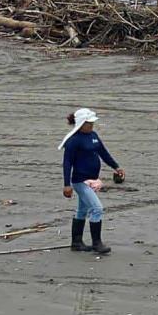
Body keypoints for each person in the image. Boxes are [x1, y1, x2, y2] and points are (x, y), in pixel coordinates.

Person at [59, 107, 125, 254]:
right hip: (79, 181)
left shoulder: (93, 135)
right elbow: (67, 163)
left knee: (82, 210)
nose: (91, 125)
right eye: (88, 123)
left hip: (92, 179)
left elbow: (103, 152)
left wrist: (116, 167)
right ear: (81, 123)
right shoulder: (73, 141)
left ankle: (76, 243)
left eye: (92, 123)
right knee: (97, 209)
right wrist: (66, 185)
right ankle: (97, 243)